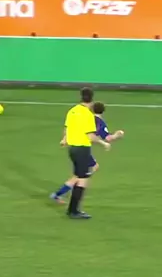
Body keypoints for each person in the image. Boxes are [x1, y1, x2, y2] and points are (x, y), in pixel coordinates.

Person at [50, 101, 124, 204]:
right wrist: (117, 135)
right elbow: (108, 138)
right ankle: (63, 193)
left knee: (89, 169)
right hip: (83, 149)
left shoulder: (85, 117)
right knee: (80, 175)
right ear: (103, 111)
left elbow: (70, 127)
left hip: (74, 147)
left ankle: (72, 188)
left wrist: (65, 139)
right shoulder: (99, 122)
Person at [57, 88, 110, 220]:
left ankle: (71, 208)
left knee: (79, 176)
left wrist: (65, 139)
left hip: (72, 149)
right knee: (83, 179)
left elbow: (67, 128)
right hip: (82, 149)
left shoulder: (72, 111)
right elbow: (90, 136)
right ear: (92, 98)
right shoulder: (88, 114)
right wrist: (103, 143)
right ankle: (73, 211)